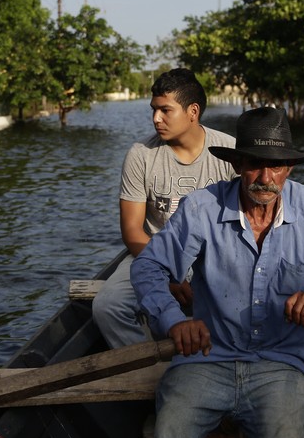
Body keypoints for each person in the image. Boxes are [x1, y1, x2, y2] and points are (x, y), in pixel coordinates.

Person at [131, 107, 304, 438]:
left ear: (290, 168)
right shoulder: (202, 208)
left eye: (277, 166)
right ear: (237, 165)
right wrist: (173, 321)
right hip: (208, 360)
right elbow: (149, 267)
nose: (266, 177)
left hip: (284, 364)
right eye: (255, 164)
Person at [92, 68, 236, 348]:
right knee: (107, 306)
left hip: (214, 254)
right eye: (154, 110)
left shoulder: (229, 152)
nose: (156, 119)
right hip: (153, 253)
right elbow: (133, 231)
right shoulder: (141, 155)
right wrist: (168, 272)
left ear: (192, 111)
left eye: (165, 110)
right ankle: (144, 371)